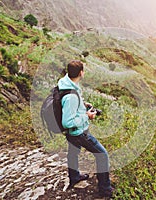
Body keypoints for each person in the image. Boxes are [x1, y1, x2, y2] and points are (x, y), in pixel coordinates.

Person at [58, 60, 114, 197]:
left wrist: (82, 105)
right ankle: (105, 189)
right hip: (78, 133)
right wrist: (87, 116)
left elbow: (70, 104)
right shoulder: (71, 96)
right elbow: (67, 122)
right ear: (81, 73)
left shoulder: (66, 84)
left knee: (73, 153)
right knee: (102, 155)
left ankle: (74, 177)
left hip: (72, 134)